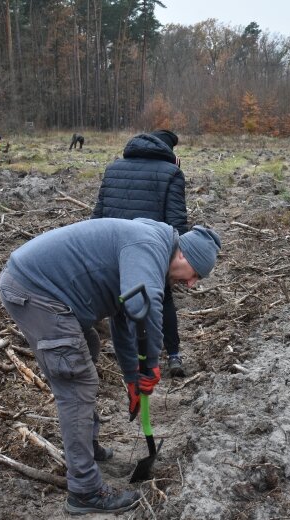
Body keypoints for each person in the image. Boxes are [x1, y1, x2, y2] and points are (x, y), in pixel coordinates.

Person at [0, 218, 220, 514]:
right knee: (76, 383)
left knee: (86, 346)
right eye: (196, 275)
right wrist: (151, 365)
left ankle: (87, 448)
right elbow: (145, 306)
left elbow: (124, 317)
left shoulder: (153, 244)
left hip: (44, 289)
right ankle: (85, 491)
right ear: (184, 256)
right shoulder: (149, 247)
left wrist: (132, 376)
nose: (191, 284)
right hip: (36, 291)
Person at [92, 130, 188, 377]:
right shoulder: (172, 174)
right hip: (150, 249)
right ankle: (172, 355)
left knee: (117, 302)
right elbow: (177, 222)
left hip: (111, 249)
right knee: (162, 299)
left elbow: (98, 215)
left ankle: (129, 359)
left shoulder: (113, 169)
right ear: (169, 152)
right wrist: (173, 257)